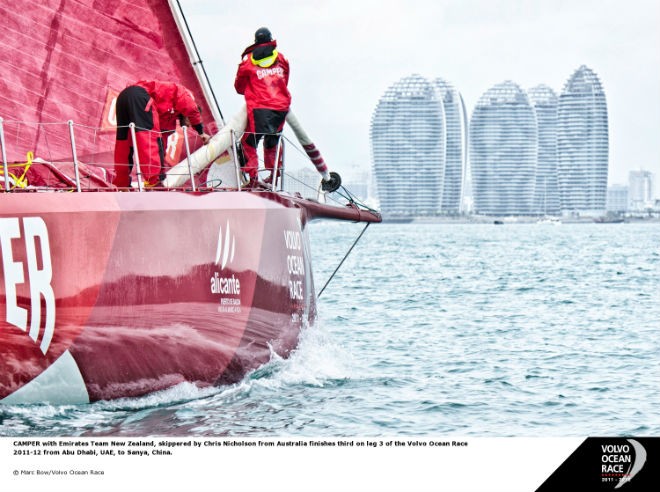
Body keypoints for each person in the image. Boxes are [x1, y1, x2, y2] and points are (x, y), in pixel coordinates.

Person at [113, 80, 211, 187]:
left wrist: (162, 171)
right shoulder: (184, 95)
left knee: (124, 142)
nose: (188, 125)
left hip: (123, 98)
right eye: (189, 121)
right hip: (140, 96)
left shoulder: (168, 119)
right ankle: (153, 181)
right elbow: (192, 110)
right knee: (148, 138)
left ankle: (121, 183)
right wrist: (201, 132)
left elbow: (161, 145)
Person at [234, 27, 291, 186]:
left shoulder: (247, 62)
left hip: (259, 109)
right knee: (272, 142)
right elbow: (285, 80)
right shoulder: (281, 59)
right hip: (281, 107)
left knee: (248, 143)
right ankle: (274, 175)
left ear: (255, 41)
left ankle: (253, 178)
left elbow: (238, 87)